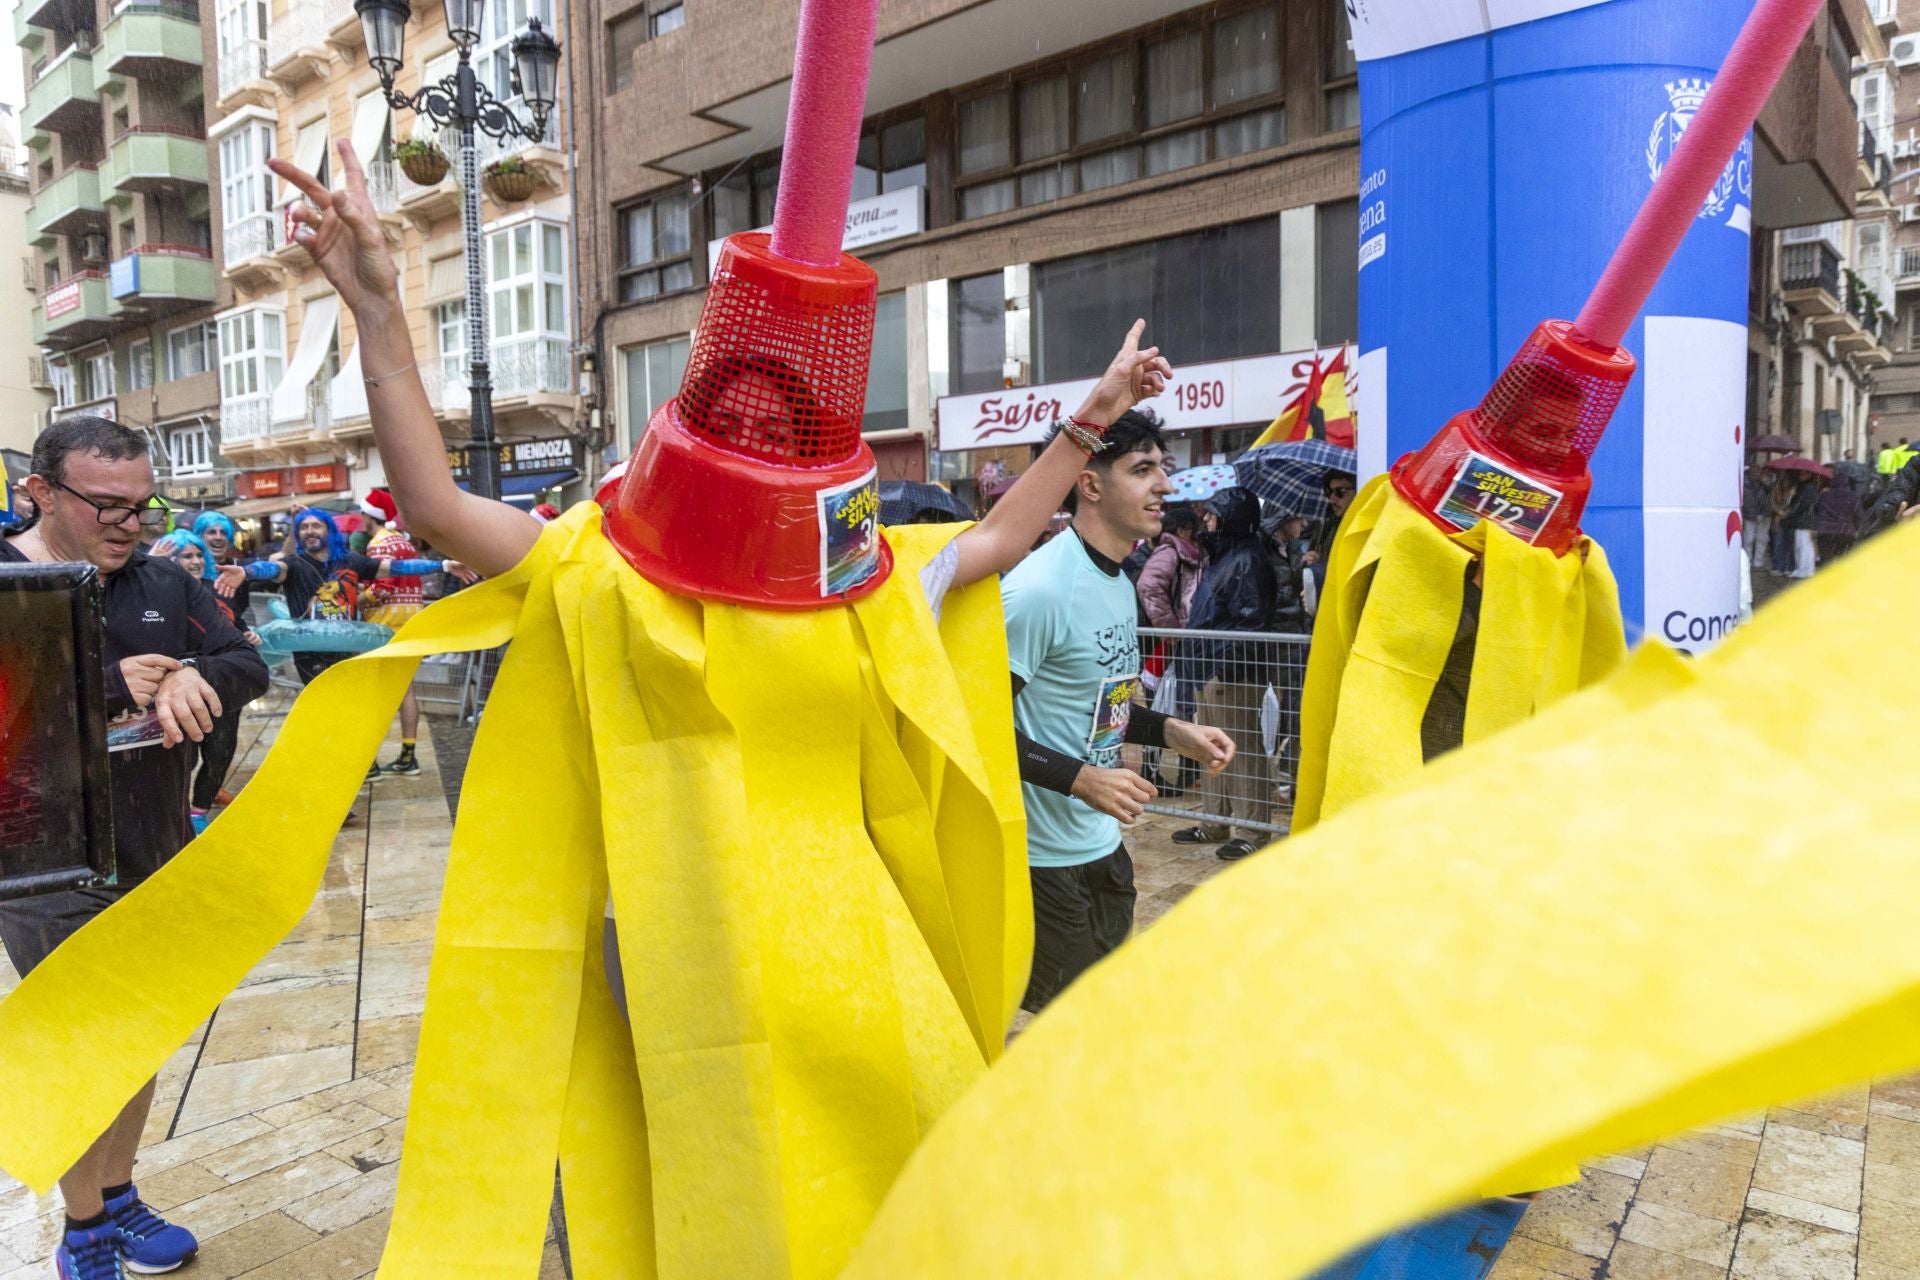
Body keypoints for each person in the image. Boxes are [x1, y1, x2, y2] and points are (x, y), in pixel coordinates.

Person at [0, 416, 269, 1280]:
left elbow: (245, 660)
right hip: (46, 862)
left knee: (143, 1034)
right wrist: (109, 689)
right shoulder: (7, 585)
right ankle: (82, 1231)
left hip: (156, 843)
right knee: (82, 1048)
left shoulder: (164, 580)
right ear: (38, 491)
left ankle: (118, 1196)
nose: (129, 523)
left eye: (142, 505)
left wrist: (198, 674)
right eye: (105, 505)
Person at [1001, 412, 1235, 1015]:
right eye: (1143, 469)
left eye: (1164, 468)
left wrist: (1171, 731)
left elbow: (1099, 703)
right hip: (1042, 863)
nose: (1165, 485)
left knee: (1107, 1019)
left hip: (1104, 849)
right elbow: (977, 725)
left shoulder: (1119, 579)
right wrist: (1082, 779)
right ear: (1091, 484)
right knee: (1063, 1037)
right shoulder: (1039, 590)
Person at [1170, 486, 1279, 863]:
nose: (1206, 521)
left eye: (1214, 514)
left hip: (1230, 673)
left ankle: (1252, 830)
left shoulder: (1247, 560)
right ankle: (1216, 820)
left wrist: (1227, 667)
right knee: (1211, 748)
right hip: (1210, 669)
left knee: (1242, 749)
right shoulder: (1226, 557)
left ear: (1230, 518)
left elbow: (1252, 621)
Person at [359, 487, 428, 776]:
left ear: (368, 516)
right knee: (406, 690)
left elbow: (382, 589)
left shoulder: (378, 545)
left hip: (384, 625)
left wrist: (356, 599)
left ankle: (370, 762)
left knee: (376, 694)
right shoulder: (406, 543)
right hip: (412, 623)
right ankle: (408, 755)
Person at [1813, 472, 1862, 565]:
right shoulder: (1853, 496)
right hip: (1846, 533)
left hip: (1825, 532)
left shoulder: (1824, 495)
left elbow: (1816, 510)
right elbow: (1859, 515)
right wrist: (1856, 528)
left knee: (1827, 561)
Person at [1783, 472, 1818, 579]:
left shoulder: (1806, 488)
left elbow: (1801, 505)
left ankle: (1803, 570)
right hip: (1805, 521)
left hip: (1804, 522)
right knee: (1805, 547)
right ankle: (1806, 570)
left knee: (1803, 547)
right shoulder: (1808, 488)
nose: (1800, 476)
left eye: (1803, 474)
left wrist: (1790, 512)